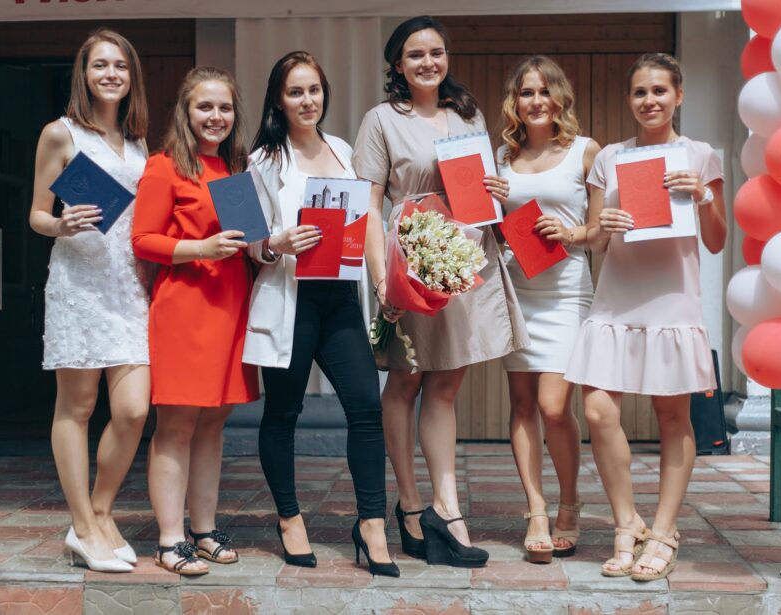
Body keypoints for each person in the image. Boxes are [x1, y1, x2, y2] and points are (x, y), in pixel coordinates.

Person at [353, 15, 527, 568]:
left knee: (447, 383)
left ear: (447, 57)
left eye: (436, 52)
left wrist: (497, 188)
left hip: (465, 254)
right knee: (406, 379)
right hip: (414, 253)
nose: (428, 62)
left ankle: (446, 508)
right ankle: (409, 504)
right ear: (397, 64)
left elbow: (481, 187)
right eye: (415, 54)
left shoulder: (467, 114)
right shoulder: (381, 120)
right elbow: (368, 207)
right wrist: (381, 277)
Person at [564, 52, 727, 582]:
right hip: (616, 299)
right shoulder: (610, 158)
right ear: (629, 99)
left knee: (673, 417)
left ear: (679, 95)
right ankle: (625, 522)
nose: (649, 100)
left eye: (659, 90)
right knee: (598, 411)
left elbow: (717, 240)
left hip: (671, 300)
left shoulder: (701, 155)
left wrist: (702, 196)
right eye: (640, 92)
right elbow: (594, 239)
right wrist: (604, 226)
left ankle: (663, 531)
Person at [244, 51, 397, 577]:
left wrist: (380, 280)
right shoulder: (261, 160)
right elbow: (247, 242)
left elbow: (366, 218)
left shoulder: (343, 149)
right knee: (283, 413)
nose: (307, 101)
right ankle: (289, 518)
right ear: (279, 100)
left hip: (340, 299)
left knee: (366, 407)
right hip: (291, 299)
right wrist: (277, 242)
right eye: (295, 92)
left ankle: (371, 524)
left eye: (314, 90)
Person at [29, 28, 150, 573]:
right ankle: (82, 525)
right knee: (76, 408)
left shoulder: (138, 139)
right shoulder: (60, 134)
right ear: (83, 73)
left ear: (131, 76)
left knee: (133, 410)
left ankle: (101, 511)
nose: (110, 74)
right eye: (100, 65)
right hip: (79, 285)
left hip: (128, 286)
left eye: (120, 66)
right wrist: (61, 222)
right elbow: (35, 214)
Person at [132, 66, 258, 576]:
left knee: (214, 422)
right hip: (186, 308)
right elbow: (143, 240)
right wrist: (200, 248)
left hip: (231, 305)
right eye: (204, 106)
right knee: (178, 424)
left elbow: (249, 240)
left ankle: (203, 530)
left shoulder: (236, 169)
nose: (216, 116)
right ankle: (169, 539)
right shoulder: (164, 166)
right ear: (185, 112)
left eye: (224, 107)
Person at [497, 55, 600, 563]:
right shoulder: (501, 156)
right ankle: (537, 511)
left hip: (566, 290)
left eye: (544, 91)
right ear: (514, 102)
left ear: (560, 98)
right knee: (521, 404)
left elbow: (600, 231)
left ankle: (570, 501)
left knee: (554, 406)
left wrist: (571, 232)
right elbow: (490, 227)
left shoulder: (585, 151)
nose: (535, 101)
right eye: (526, 92)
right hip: (517, 287)